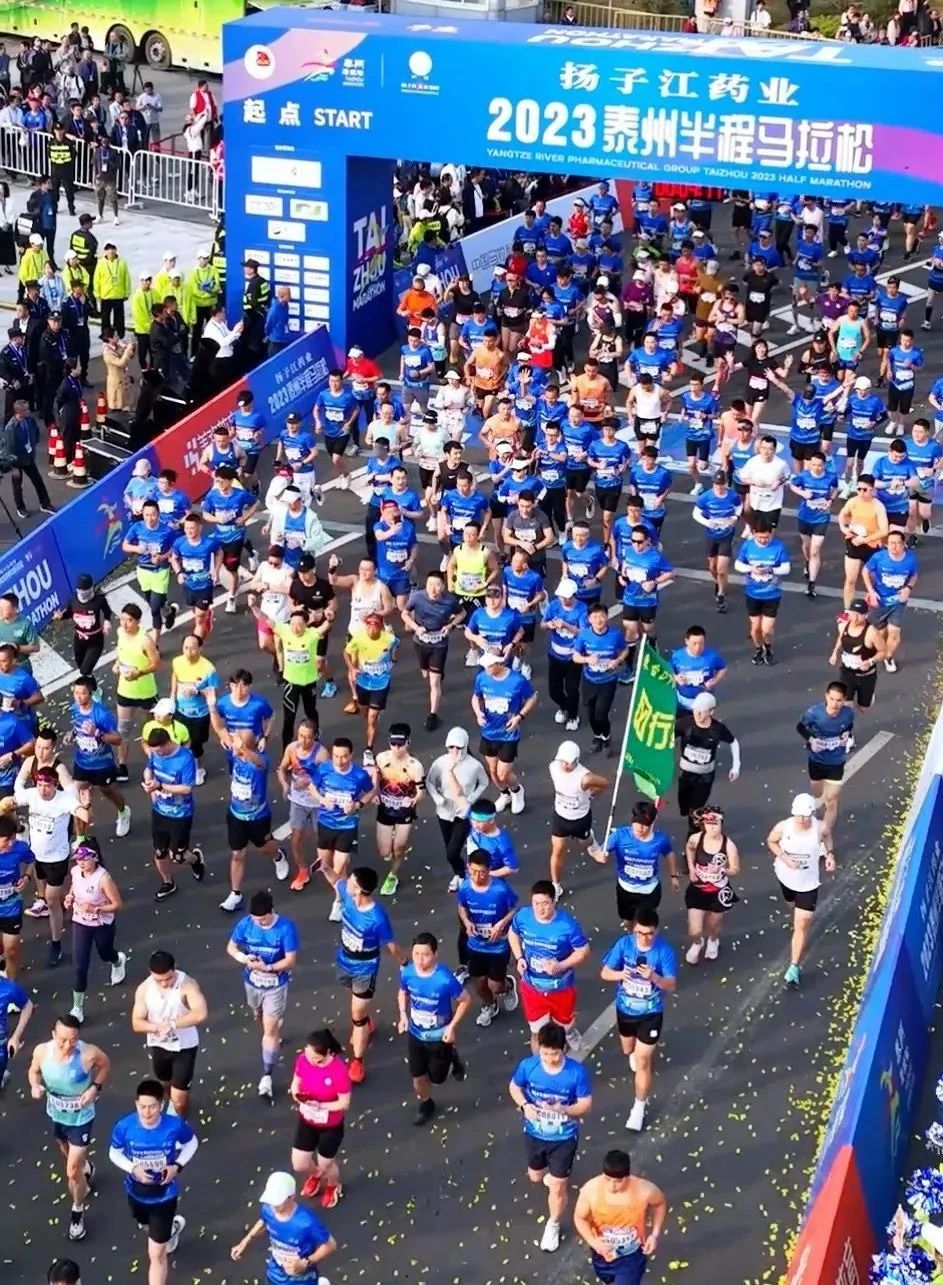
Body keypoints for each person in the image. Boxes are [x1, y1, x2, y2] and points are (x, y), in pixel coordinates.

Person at [508, 1020, 593, 1254]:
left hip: (564, 1138)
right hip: (535, 1133)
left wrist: (564, 1109)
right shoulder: (529, 1066)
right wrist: (525, 1105)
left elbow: (585, 1104)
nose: (549, 1059)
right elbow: (514, 1087)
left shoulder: (575, 1073)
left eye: (554, 1054)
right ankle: (551, 1176)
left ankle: (553, 1224)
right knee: (536, 1176)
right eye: (545, 1053)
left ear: (563, 1049)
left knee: (557, 1187)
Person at [28, 1014, 110, 1242]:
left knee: (72, 1171)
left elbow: (105, 1065)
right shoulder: (42, 1052)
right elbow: (33, 1071)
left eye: (73, 1040)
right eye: (63, 1040)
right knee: (67, 1153)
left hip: (81, 1118)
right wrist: (34, 1086)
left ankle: (77, 1211)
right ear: (53, 1035)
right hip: (57, 1115)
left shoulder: (88, 1053)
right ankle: (86, 1167)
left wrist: (94, 1088)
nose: (67, 1045)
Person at [108, 1078, 198, 1284]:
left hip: (165, 1195)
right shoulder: (125, 1126)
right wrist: (133, 1168)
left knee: (156, 1255)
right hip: (136, 1192)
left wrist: (177, 1166)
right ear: (136, 1104)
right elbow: (114, 1152)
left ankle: (164, 1234)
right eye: (142, 1107)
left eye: (152, 1107)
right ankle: (170, 1231)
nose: (147, 1112)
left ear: (161, 1105)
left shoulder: (174, 1125)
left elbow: (192, 1143)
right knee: (145, 1226)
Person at [600, 907, 677, 1132]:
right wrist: (620, 974)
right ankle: (636, 1052)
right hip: (625, 1010)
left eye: (649, 933)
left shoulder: (664, 952)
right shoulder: (624, 945)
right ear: (633, 929)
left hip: (651, 1013)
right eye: (640, 933)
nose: (644, 938)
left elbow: (671, 985)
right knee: (628, 1050)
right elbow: (604, 972)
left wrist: (654, 977)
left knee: (643, 1062)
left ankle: (639, 1108)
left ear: (656, 931)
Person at [227, 889, 299, 1102]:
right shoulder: (246, 924)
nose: (260, 923)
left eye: (264, 920)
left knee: (269, 1031)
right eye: (256, 919)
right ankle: (272, 1028)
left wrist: (268, 967)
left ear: (272, 911)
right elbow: (231, 947)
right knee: (258, 1015)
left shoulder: (285, 928)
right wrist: (244, 959)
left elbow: (290, 960)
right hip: (252, 983)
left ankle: (267, 1075)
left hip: (275, 985)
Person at [16, 767, 88, 965]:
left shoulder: (65, 800)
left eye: (47, 785)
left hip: (57, 858)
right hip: (37, 857)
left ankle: (56, 943)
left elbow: (83, 814)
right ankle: (61, 904)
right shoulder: (31, 795)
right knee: (47, 894)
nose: (43, 789)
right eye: (40, 785)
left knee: (51, 899)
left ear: (55, 785)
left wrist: (86, 807)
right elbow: (12, 800)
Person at [508, 880, 590, 1054]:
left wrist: (561, 965)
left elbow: (583, 951)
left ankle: (569, 1031)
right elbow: (513, 933)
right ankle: (540, 1065)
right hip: (532, 988)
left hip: (561, 988)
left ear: (554, 902)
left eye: (545, 903)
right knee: (537, 1033)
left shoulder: (567, 925)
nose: (540, 909)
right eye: (536, 903)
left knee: (562, 1028)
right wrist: (519, 957)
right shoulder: (523, 917)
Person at [398, 930, 470, 1125]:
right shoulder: (408, 972)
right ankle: (426, 1103)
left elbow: (465, 1000)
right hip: (415, 1033)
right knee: (418, 1077)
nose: (420, 960)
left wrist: (452, 1027)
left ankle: (452, 1056)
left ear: (435, 954)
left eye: (425, 955)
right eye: (416, 954)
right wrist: (403, 1014)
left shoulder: (444, 978)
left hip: (439, 1036)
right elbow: (403, 992)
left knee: (437, 1079)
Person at [768, 793, 835, 988]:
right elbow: (771, 841)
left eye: (806, 816)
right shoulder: (783, 827)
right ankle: (794, 911)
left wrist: (829, 855)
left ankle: (794, 966)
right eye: (799, 816)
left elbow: (827, 837)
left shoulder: (820, 827)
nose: (803, 820)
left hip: (808, 884)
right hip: (786, 878)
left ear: (812, 814)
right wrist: (785, 858)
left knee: (802, 925)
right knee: (790, 903)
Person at [573, 1148, 669, 1284]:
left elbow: (659, 1204)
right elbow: (580, 1218)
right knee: (607, 1280)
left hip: (632, 1256)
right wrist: (593, 1242)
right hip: (602, 1254)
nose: (612, 1186)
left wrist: (654, 1235)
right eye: (607, 1179)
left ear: (627, 1176)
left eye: (618, 1181)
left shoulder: (645, 1190)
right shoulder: (591, 1190)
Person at [131, 951, 207, 1118]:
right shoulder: (144, 989)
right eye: (159, 980)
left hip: (184, 1046)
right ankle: (172, 1099)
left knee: (179, 1100)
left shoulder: (187, 985)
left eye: (168, 978)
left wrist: (172, 1025)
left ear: (174, 970)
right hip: (159, 1044)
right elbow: (136, 1022)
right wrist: (156, 1028)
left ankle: (180, 1122)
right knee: (165, 1082)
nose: (164, 983)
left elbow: (200, 1013)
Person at [220, 730, 289, 913]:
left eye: (239, 745)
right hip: (235, 815)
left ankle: (278, 855)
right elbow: (220, 729)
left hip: (258, 817)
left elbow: (257, 762)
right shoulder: (233, 756)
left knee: (263, 847)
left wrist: (242, 748)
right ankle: (235, 894)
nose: (235, 747)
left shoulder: (261, 760)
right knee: (237, 854)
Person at [311, 737, 375, 923]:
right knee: (324, 866)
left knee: (338, 868)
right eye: (336, 756)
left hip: (347, 825)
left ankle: (339, 901)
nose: (340, 761)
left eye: (344, 756)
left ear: (351, 755)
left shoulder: (359, 775)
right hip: (325, 823)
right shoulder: (324, 769)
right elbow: (312, 787)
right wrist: (322, 800)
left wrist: (357, 805)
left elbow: (371, 792)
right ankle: (345, 893)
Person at [230, 1171, 337, 1280]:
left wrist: (305, 1263)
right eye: (271, 1201)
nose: (273, 1206)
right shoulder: (268, 1208)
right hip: (275, 1269)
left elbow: (330, 1245)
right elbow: (264, 1221)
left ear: (291, 1197)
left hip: (301, 1276)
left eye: (278, 1202)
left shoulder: (306, 1221)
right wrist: (244, 1242)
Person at [65, 840, 126, 1025]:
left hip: (102, 924)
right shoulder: (75, 871)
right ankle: (78, 1007)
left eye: (85, 859)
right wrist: (70, 897)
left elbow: (117, 905)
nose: (81, 863)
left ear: (95, 858)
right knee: (80, 966)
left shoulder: (103, 878)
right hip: (80, 922)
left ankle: (117, 960)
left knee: (105, 953)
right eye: (78, 859)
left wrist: (95, 909)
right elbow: (74, 886)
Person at [456, 847, 519, 1027]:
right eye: (473, 871)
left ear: (489, 870)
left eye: (482, 872)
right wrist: (466, 922)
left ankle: (507, 985)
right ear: (468, 867)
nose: (477, 876)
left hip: (498, 945)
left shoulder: (500, 889)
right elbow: (461, 906)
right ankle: (490, 1006)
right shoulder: (465, 887)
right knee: (479, 984)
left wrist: (501, 924)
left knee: (495, 986)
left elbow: (514, 909)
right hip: (475, 944)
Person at [143, 727, 205, 902]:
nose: (156, 754)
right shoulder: (155, 754)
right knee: (159, 852)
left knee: (178, 856)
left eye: (158, 751)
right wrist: (148, 782)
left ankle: (195, 860)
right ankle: (168, 882)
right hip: (160, 810)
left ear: (166, 744)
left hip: (181, 813)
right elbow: (148, 769)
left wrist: (160, 786)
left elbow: (186, 788)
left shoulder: (185, 758)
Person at [425, 726, 490, 891]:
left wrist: (471, 799)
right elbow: (430, 782)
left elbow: (484, 782)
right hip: (444, 812)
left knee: (452, 852)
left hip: (464, 813)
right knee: (450, 847)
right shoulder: (440, 763)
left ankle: (462, 875)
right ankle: (459, 873)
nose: (455, 751)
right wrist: (437, 798)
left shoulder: (474, 765)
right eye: (451, 747)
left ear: (465, 746)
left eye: (459, 747)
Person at [471, 650, 537, 811]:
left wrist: (519, 717)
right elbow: (476, 697)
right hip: (488, 732)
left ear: (499, 663)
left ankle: (517, 791)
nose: (486, 669)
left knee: (503, 774)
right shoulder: (482, 678)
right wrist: (478, 713)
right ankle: (504, 794)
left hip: (508, 734)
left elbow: (532, 697)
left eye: (489, 666)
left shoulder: (517, 680)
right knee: (493, 772)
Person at [548, 740, 608, 898]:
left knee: (585, 841)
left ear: (576, 760)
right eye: (562, 761)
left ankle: (592, 845)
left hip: (580, 818)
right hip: (560, 817)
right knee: (557, 849)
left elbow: (604, 783)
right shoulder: (553, 767)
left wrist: (590, 794)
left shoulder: (585, 778)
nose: (565, 765)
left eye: (568, 762)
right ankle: (556, 885)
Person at [372, 722, 425, 896]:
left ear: (408, 742)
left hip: (404, 812)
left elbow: (421, 792)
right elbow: (375, 779)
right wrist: (375, 793)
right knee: (384, 851)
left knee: (399, 847)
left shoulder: (415, 766)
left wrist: (414, 800)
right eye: (393, 744)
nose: (396, 748)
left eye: (400, 744)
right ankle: (390, 846)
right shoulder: (381, 758)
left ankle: (392, 876)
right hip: (385, 810)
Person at [796, 681, 855, 834]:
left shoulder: (848, 713)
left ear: (844, 700)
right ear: (826, 696)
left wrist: (847, 734)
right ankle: (821, 804)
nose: (834, 704)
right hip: (816, 760)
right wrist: (811, 739)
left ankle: (824, 834)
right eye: (832, 699)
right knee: (818, 793)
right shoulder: (814, 713)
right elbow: (800, 727)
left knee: (832, 800)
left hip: (836, 761)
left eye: (839, 700)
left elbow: (849, 726)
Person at [572, 602, 630, 755]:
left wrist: (617, 661)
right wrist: (587, 659)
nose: (599, 620)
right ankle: (597, 736)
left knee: (601, 713)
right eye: (595, 617)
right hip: (589, 680)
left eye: (602, 616)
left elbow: (625, 650)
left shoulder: (615, 635)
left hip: (608, 681)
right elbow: (575, 657)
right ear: (589, 619)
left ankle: (606, 737)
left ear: (607, 617)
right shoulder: (584, 635)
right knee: (590, 714)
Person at [675, 692, 740, 824]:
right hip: (685, 773)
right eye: (696, 710)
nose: (698, 715)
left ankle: (693, 829)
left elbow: (733, 742)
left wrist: (736, 767)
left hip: (705, 776)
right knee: (683, 804)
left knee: (696, 809)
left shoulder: (718, 729)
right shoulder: (685, 723)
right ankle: (687, 812)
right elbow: (667, 737)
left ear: (711, 712)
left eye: (702, 711)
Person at [113, 603, 160, 780]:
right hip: (125, 691)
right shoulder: (120, 632)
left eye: (129, 620)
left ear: (138, 621)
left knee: (151, 729)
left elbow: (156, 663)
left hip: (146, 692)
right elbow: (121, 653)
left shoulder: (145, 640)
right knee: (122, 730)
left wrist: (138, 673)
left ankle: (156, 762)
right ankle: (122, 765)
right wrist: (117, 664)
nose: (125, 624)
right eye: (122, 619)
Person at [862, 526, 919, 673]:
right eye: (891, 543)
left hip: (898, 602)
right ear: (886, 544)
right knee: (880, 633)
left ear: (903, 544)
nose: (894, 546)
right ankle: (878, 653)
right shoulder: (879, 557)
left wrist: (908, 588)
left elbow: (914, 575)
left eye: (898, 543)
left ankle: (887, 657)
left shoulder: (910, 559)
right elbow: (865, 571)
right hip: (879, 601)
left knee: (894, 634)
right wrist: (871, 591)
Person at [734, 527, 791, 665]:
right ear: (754, 534)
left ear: (771, 534)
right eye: (760, 537)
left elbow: (786, 568)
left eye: (766, 537)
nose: (763, 540)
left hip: (772, 594)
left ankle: (768, 647)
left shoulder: (779, 547)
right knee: (755, 628)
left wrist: (771, 569)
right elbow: (738, 565)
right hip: (752, 594)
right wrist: (751, 568)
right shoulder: (747, 546)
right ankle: (759, 649)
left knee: (766, 630)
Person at [0, 812, 34, 981]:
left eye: (13, 838)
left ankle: (11, 989)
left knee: (12, 951)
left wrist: (27, 877)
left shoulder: (19, 848)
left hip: (10, 906)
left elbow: (31, 860)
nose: (11, 843)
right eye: (6, 840)